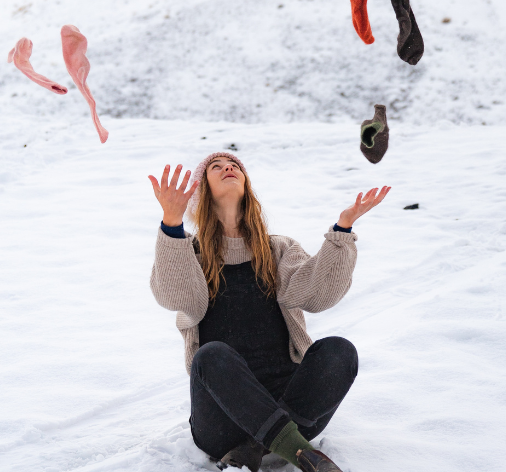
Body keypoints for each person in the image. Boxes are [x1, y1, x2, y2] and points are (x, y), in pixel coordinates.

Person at [149, 151, 390, 472]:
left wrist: (343, 229)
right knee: (210, 356)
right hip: (222, 420)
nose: (228, 167)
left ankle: (260, 444)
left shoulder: (278, 249)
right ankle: (295, 448)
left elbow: (318, 294)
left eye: (234, 165)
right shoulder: (189, 252)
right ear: (202, 192)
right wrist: (171, 223)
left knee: (339, 351)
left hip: (293, 406)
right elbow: (176, 296)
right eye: (216, 167)